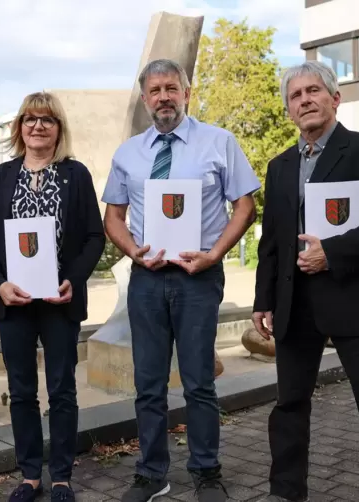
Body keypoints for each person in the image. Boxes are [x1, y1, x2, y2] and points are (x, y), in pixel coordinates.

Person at [252, 60, 359, 502]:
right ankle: (286, 493)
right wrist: (262, 299)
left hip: (354, 300)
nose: (305, 99)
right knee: (288, 408)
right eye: (295, 95)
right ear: (289, 109)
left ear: (334, 98)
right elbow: (273, 239)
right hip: (293, 306)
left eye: (313, 91)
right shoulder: (279, 166)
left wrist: (333, 253)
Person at [102, 59, 260, 502]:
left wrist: (214, 254)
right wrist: (133, 251)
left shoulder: (219, 142)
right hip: (147, 281)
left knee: (199, 384)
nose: (164, 97)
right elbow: (113, 217)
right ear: (145, 98)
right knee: (148, 385)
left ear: (187, 93)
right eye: (155, 90)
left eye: (171, 88)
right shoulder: (128, 153)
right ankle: (152, 474)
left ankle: (206, 473)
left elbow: (245, 205)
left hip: (198, 279)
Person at [0, 91, 105, 502]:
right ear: (19, 128)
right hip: (14, 302)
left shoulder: (76, 174)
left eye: (47, 119)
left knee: (63, 389)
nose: (37, 126)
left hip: (58, 301)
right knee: (21, 390)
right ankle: (31, 475)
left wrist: (73, 279)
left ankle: (62, 476)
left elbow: (93, 237)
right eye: (30, 119)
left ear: (58, 128)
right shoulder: (1, 176)